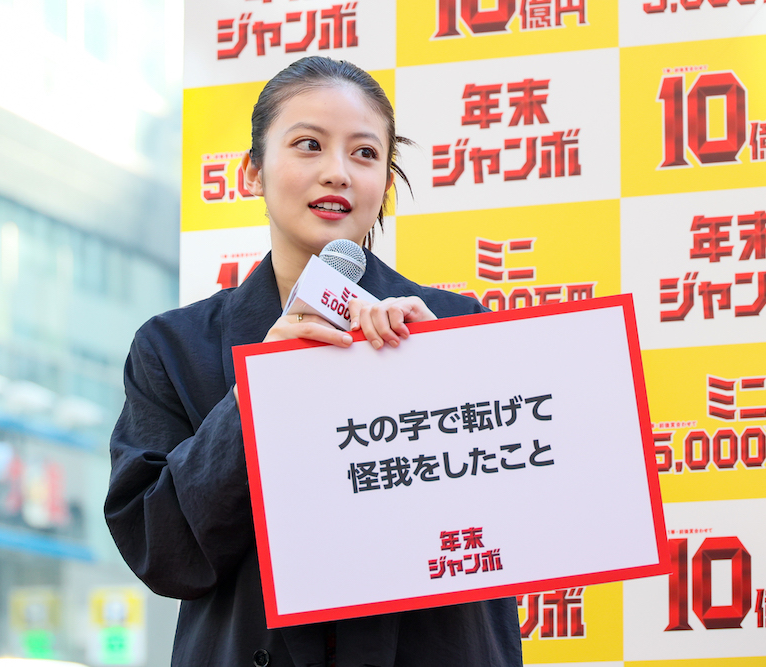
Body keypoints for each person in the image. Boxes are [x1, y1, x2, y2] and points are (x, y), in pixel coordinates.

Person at [105, 56, 524, 667]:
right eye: (308, 145)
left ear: (385, 178)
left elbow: (524, 528)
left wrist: (440, 379)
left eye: (364, 153)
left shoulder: (456, 325)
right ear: (253, 172)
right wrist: (259, 392)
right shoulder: (173, 348)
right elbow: (161, 551)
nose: (338, 173)